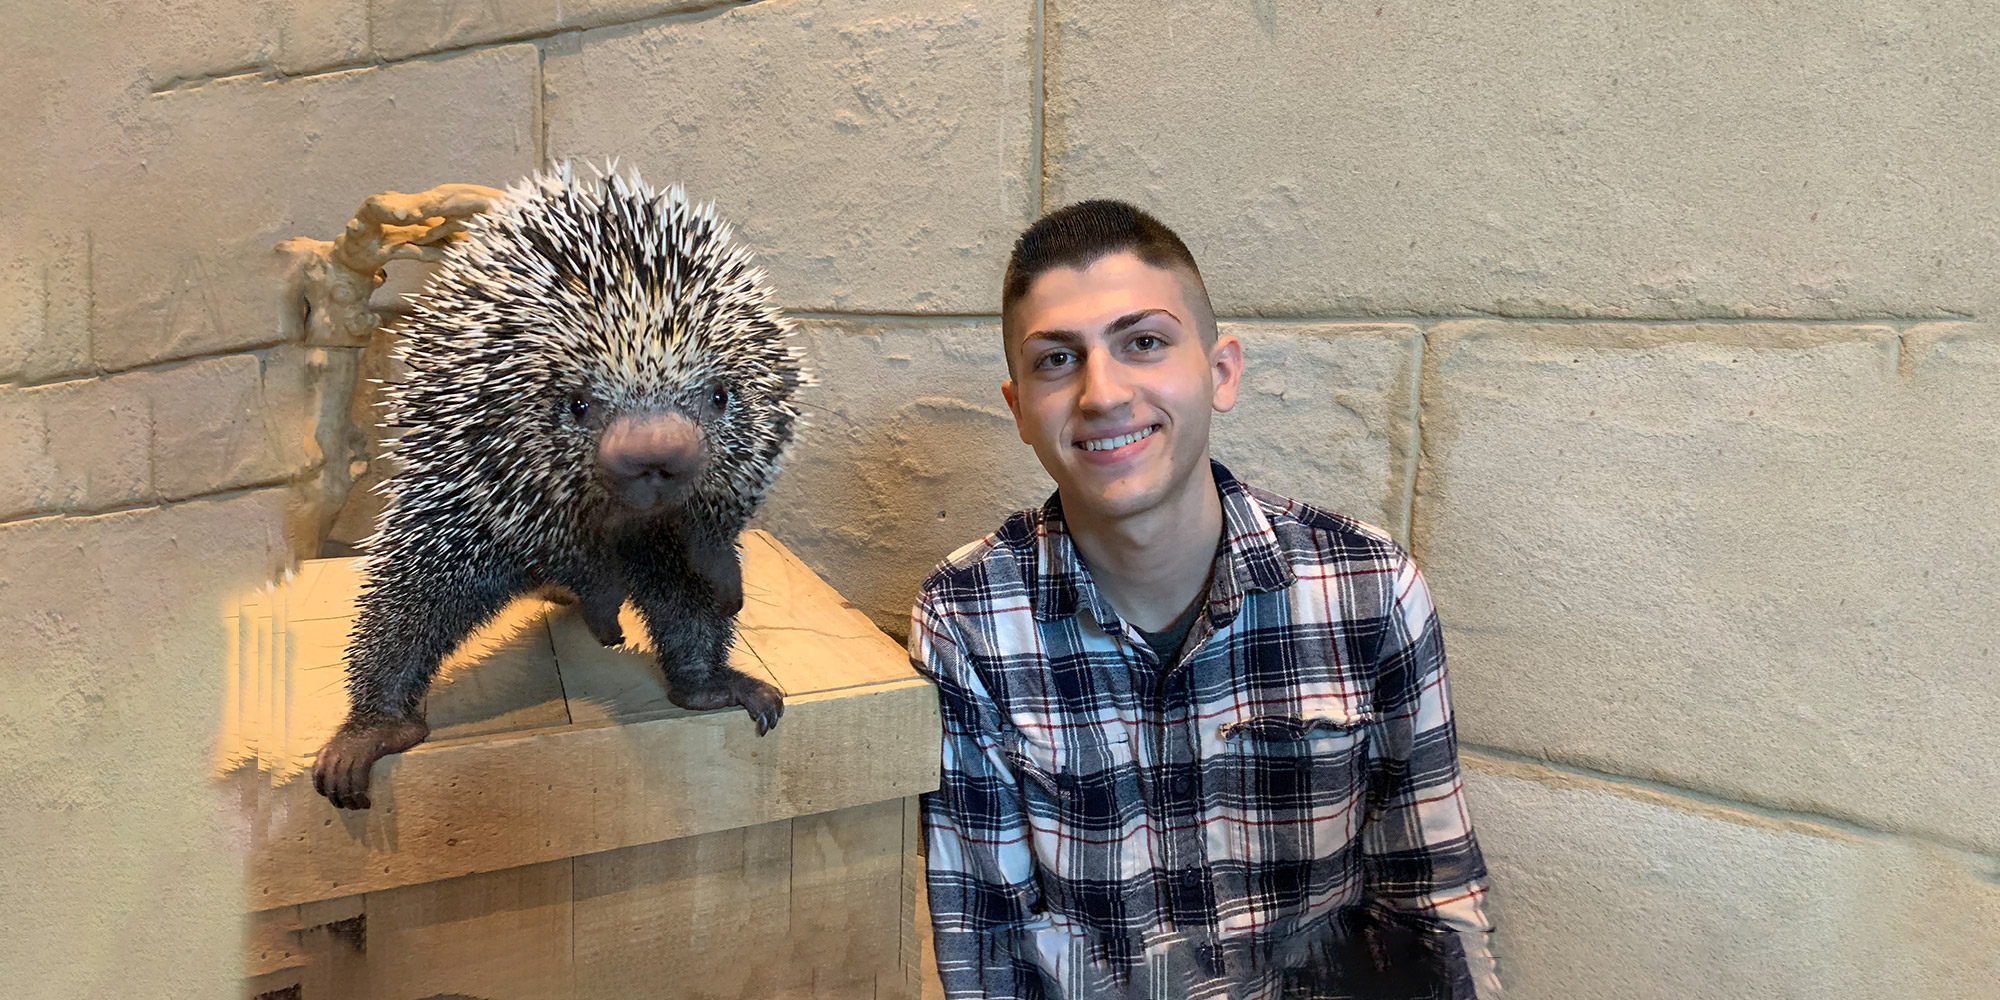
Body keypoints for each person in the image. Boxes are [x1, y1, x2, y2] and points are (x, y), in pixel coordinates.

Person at [908, 200, 1503, 999]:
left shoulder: (1370, 587)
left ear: (1220, 372)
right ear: (1020, 410)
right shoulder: (968, 620)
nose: (1102, 393)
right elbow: (986, 952)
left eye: (1143, 342)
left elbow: (1430, 903)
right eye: (1057, 360)